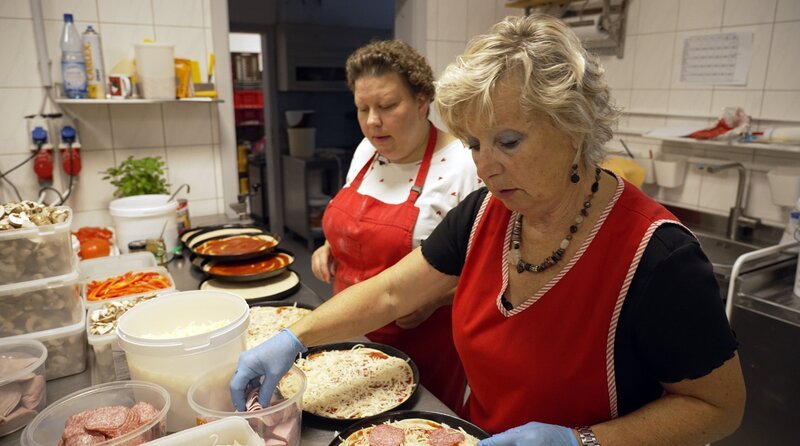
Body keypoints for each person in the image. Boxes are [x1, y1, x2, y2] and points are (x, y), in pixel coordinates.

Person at [231, 15, 745, 446]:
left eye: (508, 141)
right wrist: (294, 337)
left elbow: (719, 407)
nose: (485, 166)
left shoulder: (657, 256)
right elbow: (390, 293)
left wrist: (580, 440)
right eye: (474, 143)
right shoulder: (484, 215)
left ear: (574, 127)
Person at [315, 40, 480, 413]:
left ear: (422, 102)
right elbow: (352, 224)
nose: (373, 121)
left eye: (388, 106)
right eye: (363, 108)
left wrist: (433, 298)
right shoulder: (367, 150)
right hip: (350, 330)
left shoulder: (463, 165)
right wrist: (332, 244)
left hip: (421, 347)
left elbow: (488, 271)